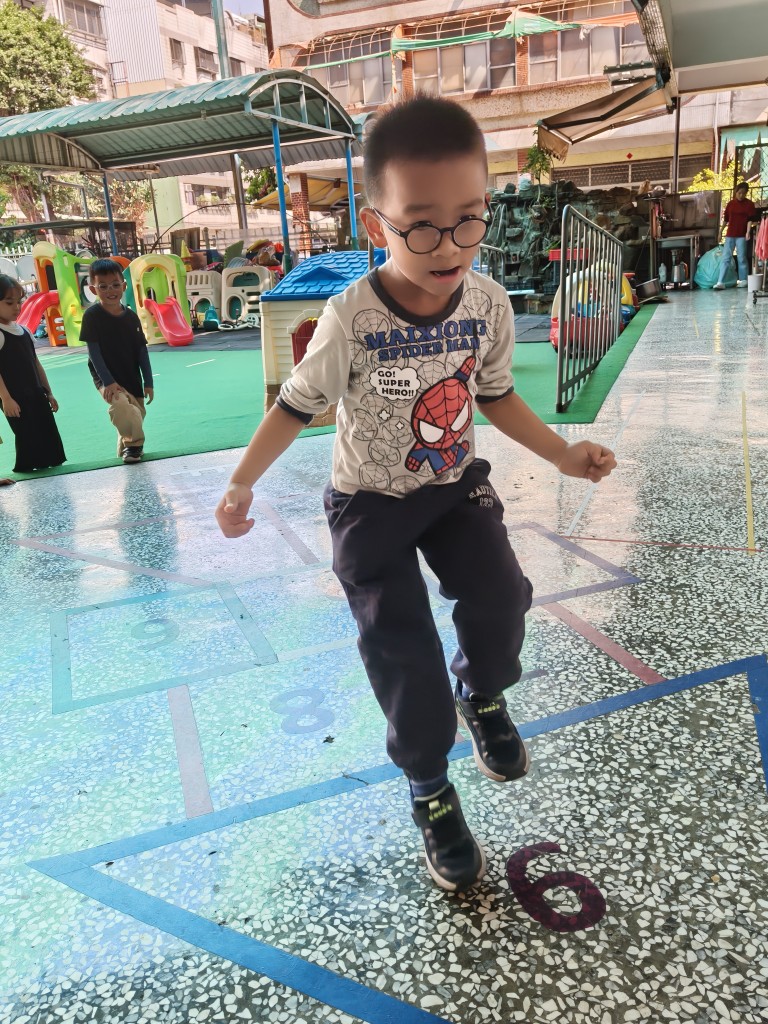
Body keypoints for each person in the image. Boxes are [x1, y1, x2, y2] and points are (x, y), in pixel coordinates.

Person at [215, 97, 617, 892]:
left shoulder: (487, 303)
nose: (450, 246)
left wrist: (563, 453)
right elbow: (294, 405)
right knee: (403, 652)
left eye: (469, 221)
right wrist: (240, 483)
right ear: (377, 225)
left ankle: (483, 691)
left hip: (453, 484)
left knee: (501, 597)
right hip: (369, 504)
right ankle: (429, 785)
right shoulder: (351, 317)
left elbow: (495, 396)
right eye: (421, 228)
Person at [80, 259, 154, 464]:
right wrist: (108, 382)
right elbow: (94, 353)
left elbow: (141, 351)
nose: (110, 290)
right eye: (103, 286)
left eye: (115, 285)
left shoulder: (131, 317)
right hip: (106, 377)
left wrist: (148, 382)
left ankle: (126, 448)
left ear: (124, 286)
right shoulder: (92, 316)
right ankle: (134, 446)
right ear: (93, 289)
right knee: (121, 407)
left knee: (136, 414)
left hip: (131, 375)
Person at [0, 274, 65, 474]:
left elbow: (35, 363)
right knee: (26, 433)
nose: (16, 307)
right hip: (14, 396)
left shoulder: (24, 331)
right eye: (9, 302)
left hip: (35, 391)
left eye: (19, 302)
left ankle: (51, 464)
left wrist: (48, 392)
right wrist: (5, 398)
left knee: (47, 429)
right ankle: (26, 470)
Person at [713, 182, 758, 289]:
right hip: (730, 235)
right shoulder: (731, 204)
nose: (741, 195)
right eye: (739, 193)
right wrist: (720, 232)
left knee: (741, 257)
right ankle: (720, 282)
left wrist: (747, 232)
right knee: (726, 258)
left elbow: (750, 220)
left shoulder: (749, 204)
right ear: (735, 192)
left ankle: (743, 280)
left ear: (746, 193)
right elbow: (726, 220)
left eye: (743, 193)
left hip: (742, 235)